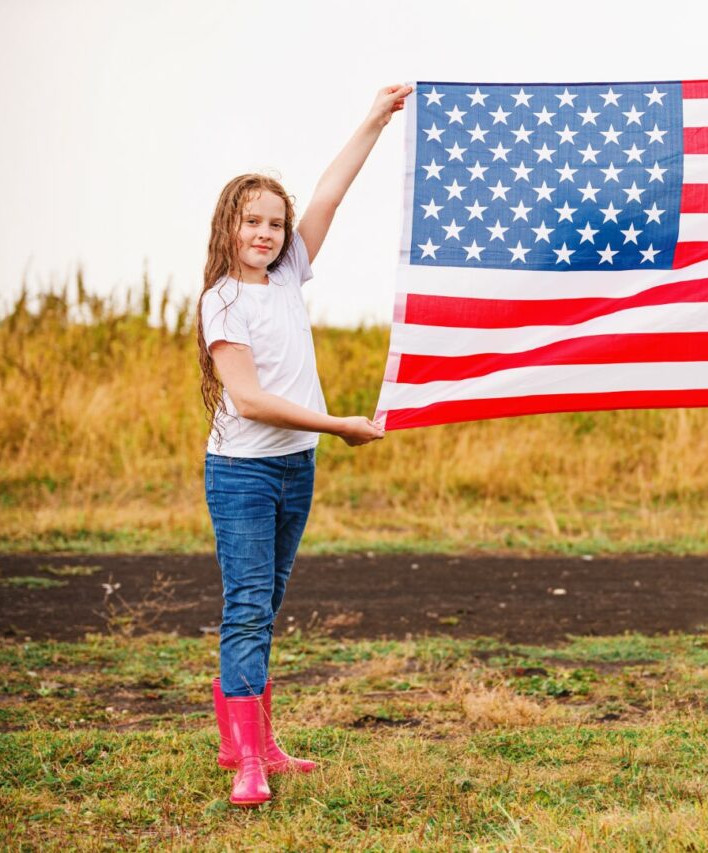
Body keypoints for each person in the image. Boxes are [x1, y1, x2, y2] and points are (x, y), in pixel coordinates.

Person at [196, 84, 411, 806]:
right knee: (249, 605)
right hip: (244, 472)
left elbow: (329, 195)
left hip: (295, 468)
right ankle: (248, 763)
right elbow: (250, 398)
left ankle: (249, 739)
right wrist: (338, 424)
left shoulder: (287, 274)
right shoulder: (222, 298)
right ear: (228, 226)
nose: (265, 233)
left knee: (268, 600)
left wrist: (375, 120)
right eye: (251, 221)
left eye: (274, 224)